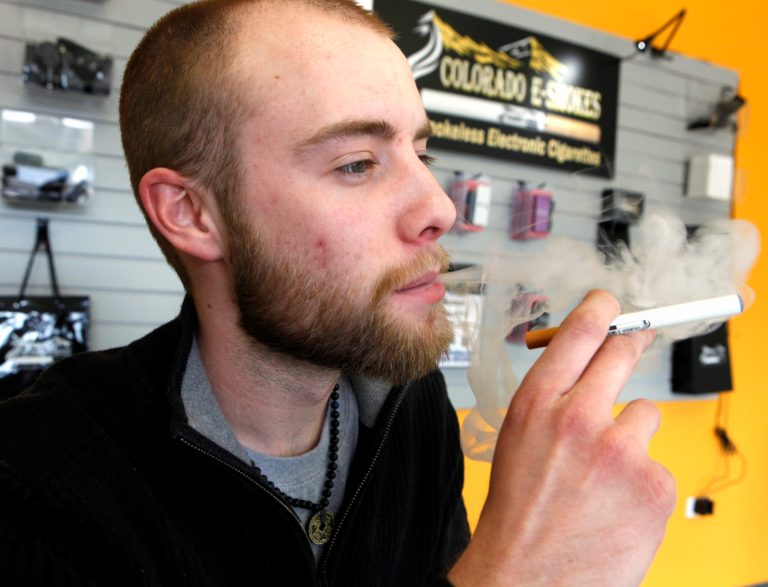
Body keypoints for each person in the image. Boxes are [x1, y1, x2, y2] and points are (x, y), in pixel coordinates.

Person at [0, 0, 675, 585]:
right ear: (191, 213)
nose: (439, 206)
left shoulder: (415, 406)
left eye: (422, 153)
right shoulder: (39, 483)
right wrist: (518, 571)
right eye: (357, 163)